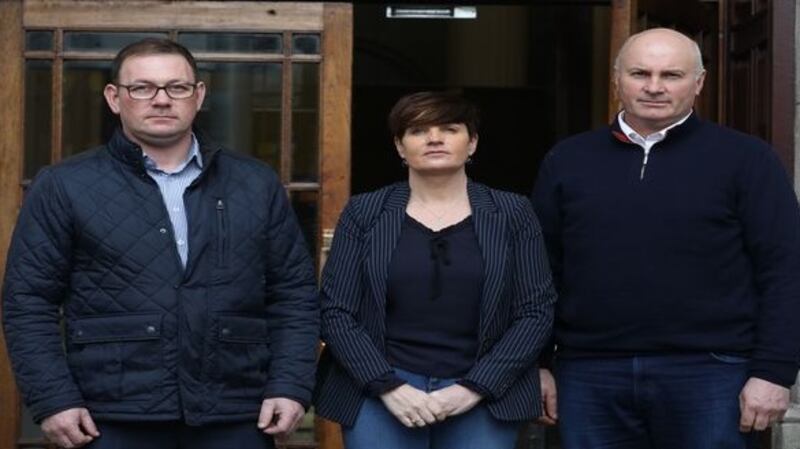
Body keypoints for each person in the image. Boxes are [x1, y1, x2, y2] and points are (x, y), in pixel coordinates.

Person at [2, 38, 319, 449]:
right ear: (115, 98)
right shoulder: (64, 185)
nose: (161, 100)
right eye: (142, 88)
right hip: (109, 413)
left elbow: (293, 294)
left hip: (236, 408)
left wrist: (290, 384)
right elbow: (29, 301)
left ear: (199, 95)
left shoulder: (255, 183)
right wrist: (52, 398)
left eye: (177, 87)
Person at [531, 27, 800, 448]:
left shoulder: (747, 160)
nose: (654, 87)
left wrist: (774, 371)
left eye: (671, 75)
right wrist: (539, 363)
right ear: (616, 79)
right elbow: (541, 271)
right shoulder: (568, 160)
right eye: (640, 73)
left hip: (712, 372)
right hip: (589, 372)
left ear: (699, 83)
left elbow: (785, 269)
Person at [313, 91, 556, 449]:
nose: (434, 138)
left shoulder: (512, 213)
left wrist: (474, 387)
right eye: (418, 130)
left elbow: (536, 311)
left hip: (483, 392)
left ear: (472, 143)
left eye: (449, 128)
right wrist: (387, 386)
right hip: (381, 392)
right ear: (400, 146)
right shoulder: (364, 213)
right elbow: (335, 310)